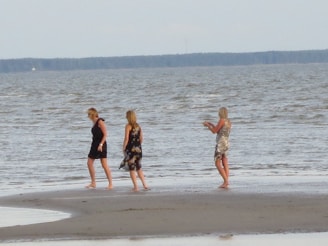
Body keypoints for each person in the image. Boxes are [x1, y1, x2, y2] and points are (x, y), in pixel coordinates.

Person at [203, 107, 231, 189]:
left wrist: (208, 126)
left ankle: (226, 181)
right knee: (224, 161)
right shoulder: (228, 121)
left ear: (220, 113)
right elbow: (220, 130)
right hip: (226, 143)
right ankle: (226, 181)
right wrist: (211, 124)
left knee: (217, 162)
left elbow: (214, 131)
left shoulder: (221, 120)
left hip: (221, 144)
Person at [86, 108, 113, 190]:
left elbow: (105, 134)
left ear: (92, 114)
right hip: (94, 144)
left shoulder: (100, 121)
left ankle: (110, 183)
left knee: (104, 164)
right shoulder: (93, 122)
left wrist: (101, 144)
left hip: (101, 144)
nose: (88, 116)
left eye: (89, 114)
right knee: (89, 163)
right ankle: (93, 182)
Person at [123, 110, 149, 192]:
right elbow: (141, 138)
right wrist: (137, 145)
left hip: (131, 149)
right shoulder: (138, 126)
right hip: (138, 149)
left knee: (132, 168)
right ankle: (145, 185)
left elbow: (126, 138)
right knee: (139, 167)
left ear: (128, 117)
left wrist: (124, 147)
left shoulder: (128, 126)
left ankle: (136, 187)